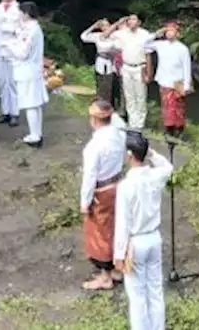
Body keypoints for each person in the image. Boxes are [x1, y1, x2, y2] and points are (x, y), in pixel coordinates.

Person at [114, 131, 174, 330]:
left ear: (129, 156)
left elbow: (123, 223)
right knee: (155, 290)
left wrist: (119, 254)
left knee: (137, 295)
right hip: (154, 238)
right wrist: (151, 154)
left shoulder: (125, 186)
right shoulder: (156, 176)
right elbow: (168, 167)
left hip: (135, 243)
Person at [80, 100, 127, 290]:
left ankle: (106, 276)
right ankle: (117, 269)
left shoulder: (94, 146)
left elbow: (89, 176)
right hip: (117, 185)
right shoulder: (118, 134)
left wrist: (85, 202)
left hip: (101, 192)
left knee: (100, 234)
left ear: (93, 119)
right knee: (117, 227)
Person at [10, 1, 49, 147]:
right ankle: (36, 133)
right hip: (32, 70)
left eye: (20, 12)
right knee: (35, 104)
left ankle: (35, 135)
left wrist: (10, 47)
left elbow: (22, 53)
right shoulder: (32, 28)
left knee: (30, 104)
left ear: (26, 14)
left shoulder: (30, 30)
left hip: (26, 70)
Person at [110, 15, 155, 131]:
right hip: (126, 67)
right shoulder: (123, 33)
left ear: (139, 22)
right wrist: (118, 22)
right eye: (129, 19)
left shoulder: (145, 34)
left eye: (134, 19)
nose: (131, 21)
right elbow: (107, 35)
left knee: (140, 96)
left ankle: (140, 124)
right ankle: (132, 122)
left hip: (140, 67)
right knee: (129, 96)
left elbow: (148, 54)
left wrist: (149, 73)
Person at [152, 22, 193, 137]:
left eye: (172, 31)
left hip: (177, 82)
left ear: (177, 33)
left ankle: (179, 128)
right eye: (167, 31)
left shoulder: (183, 49)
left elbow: (187, 68)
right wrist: (156, 34)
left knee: (178, 107)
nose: (169, 33)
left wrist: (187, 85)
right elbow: (145, 45)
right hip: (164, 80)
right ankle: (168, 128)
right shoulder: (161, 45)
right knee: (167, 106)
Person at [82, 19, 122, 109]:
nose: (105, 27)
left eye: (107, 25)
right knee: (100, 85)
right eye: (103, 26)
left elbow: (119, 48)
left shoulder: (114, 37)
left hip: (110, 63)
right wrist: (93, 26)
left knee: (109, 86)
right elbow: (84, 37)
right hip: (100, 62)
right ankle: (99, 105)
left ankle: (108, 106)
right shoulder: (97, 36)